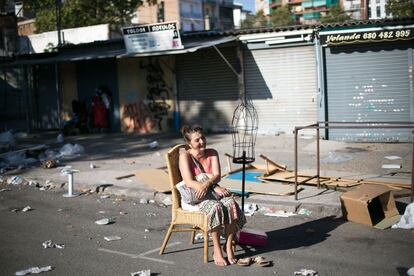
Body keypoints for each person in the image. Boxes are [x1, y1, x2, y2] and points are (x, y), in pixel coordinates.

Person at [179, 125, 246, 266]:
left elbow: (217, 175)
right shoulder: (185, 156)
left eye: (203, 137)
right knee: (216, 207)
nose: (202, 142)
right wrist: (211, 187)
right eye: (197, 140)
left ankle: (228, 246)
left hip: (210, 192)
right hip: (195, 198)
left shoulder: (212, 153)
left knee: (230, 203)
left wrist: (209, 185)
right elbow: (189, 182)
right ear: (189, 143)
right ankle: (216, 249)